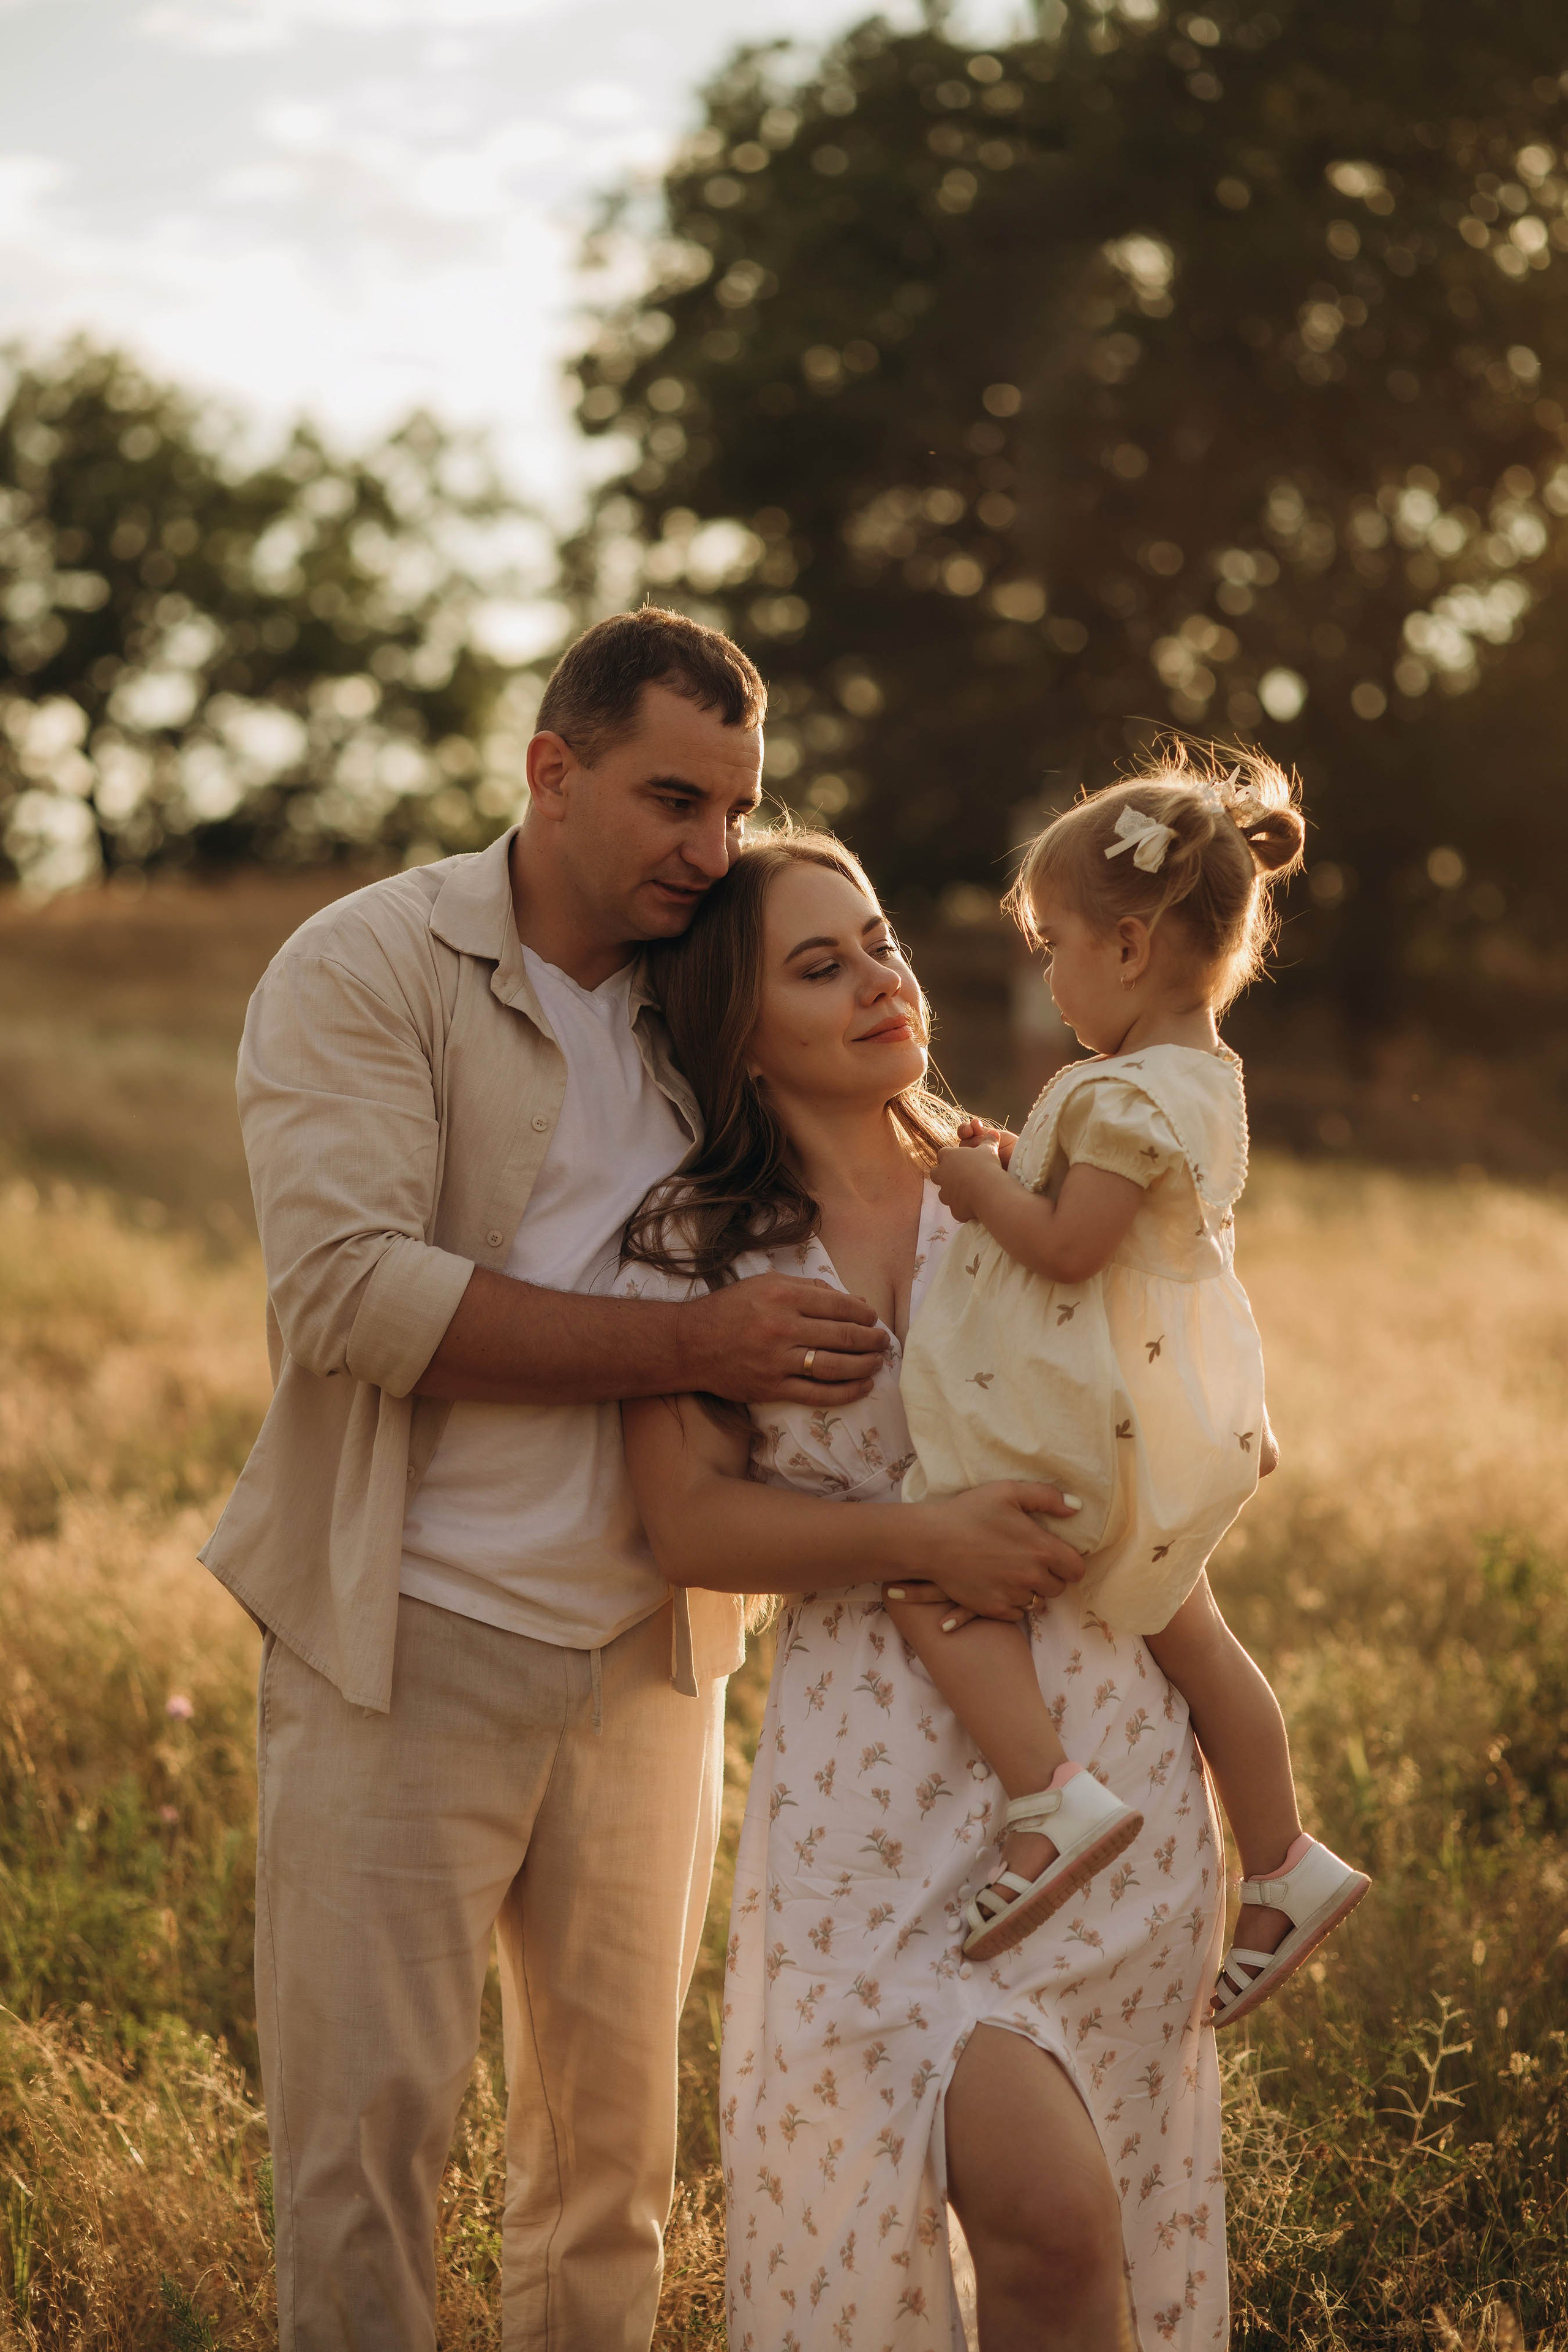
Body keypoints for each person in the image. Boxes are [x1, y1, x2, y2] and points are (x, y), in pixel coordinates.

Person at [200, 607, 913, 2351]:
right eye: (675, 801)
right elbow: (351, 1296)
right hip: (403, 1636)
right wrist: (697, 1344)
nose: (713, 850)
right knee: (363, 2154)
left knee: (611, 2172)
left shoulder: (704, 992)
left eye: (735, 808)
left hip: (652, 1653)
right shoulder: (366, 967)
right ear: (552, 771)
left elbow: (876, 1133)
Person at [619, 831, 1228, 2351]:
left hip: (1096, 1754)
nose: (878, 981)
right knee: (1044, 2210)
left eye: (880, 944)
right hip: (871, 1795)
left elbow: (1176, 1402)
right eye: (818, 967)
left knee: (1082, 2239)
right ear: (737, 1031)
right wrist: (920, 1538)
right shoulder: (695, 1245)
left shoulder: (1022, 1184)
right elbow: (686, 1526)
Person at [895, 750, 1369, 2020]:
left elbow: (1066, 1248)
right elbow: (1116, 1223)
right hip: (1151, 1413)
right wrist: (1019, 1162)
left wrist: (978, 1189)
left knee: (932, 1564)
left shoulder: (1122, 1094)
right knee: (1189, 1628)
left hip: (1085, 1415)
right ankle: (1282, 1857)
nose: (1048, 976)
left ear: (1128, 943)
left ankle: (1048, 1794)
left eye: (1052, 946)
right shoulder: (1198, 1085)